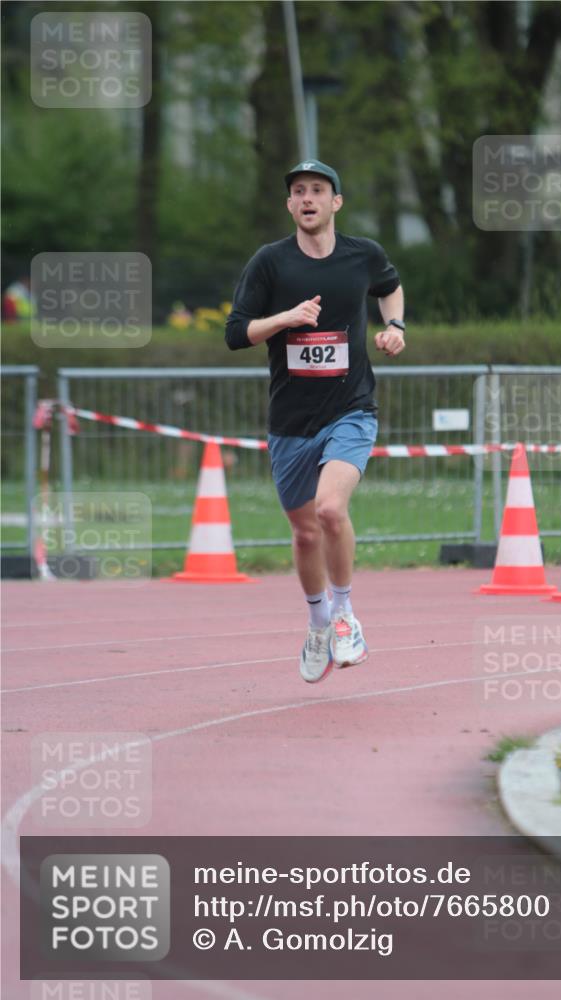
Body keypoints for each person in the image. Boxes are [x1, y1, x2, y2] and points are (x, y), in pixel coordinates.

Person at [225, 159, 405, 683]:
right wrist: (286, 318)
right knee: (305, 534)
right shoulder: (270, 263)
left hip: (351, 408)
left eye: (318, 190)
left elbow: (390, 286)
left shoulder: (362, 255)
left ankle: (346, 613)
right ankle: (318, 623)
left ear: (335, 202)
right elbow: (236, 333)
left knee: (330, 510)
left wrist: (395, 325)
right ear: (289, 205)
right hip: (289, 420)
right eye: (299, 191)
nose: (307, 198)